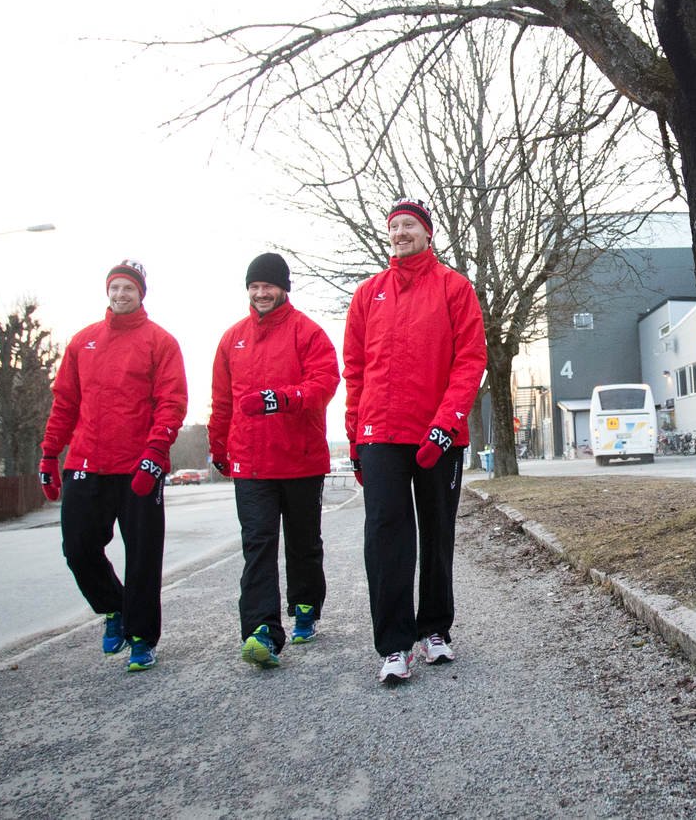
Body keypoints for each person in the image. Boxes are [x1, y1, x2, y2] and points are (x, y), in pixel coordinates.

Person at [343, 198, 486, 686]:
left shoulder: (454, 287)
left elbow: (470, 359)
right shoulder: (368, 294)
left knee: (437, 531)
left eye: (410, 225)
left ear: (428, 233)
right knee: (385, 536)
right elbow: (355, 370)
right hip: (380, 433)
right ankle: (393, 645)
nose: (400, 233)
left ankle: (435, 629)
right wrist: (355, 436)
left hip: (438, 434)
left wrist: (447, 424)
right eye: (394, 226)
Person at [38, 260, 188, 672]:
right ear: (108, 291)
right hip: (86, 462)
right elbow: (65, 403)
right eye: (115, 288)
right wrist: (50, 454)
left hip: (138, 466)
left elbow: (172, 402)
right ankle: (113, 607)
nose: (121, 295)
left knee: (142, 556)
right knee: (78, 548)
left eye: (129, 289)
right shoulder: (82, 342)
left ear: (141, 294)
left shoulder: (160, 342)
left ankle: (142, 637)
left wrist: (155, 453)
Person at [208, 252, 341, 670]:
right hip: (251, 463)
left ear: (284, 288)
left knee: (303, 542)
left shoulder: (308, 333)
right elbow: (222, 401)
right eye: (255, 286)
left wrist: (280, 399)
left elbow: (324, 383)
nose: (261, 293)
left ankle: (304, 606)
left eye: (268, 286)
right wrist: (218, 446)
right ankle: (261, 631)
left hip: (300, 459)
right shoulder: (232, 339)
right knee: (258, 545)